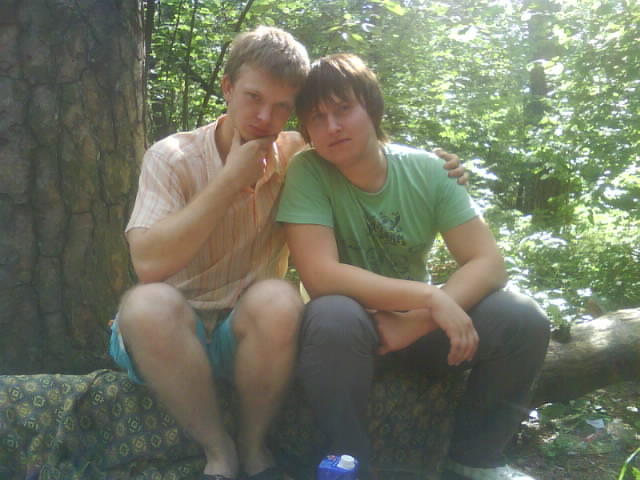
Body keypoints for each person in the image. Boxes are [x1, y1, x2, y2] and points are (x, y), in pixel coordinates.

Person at [108, 28, 466, 480]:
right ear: (227, 88)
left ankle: (254, 447)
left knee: (279, 297)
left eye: (281, 106)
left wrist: (437, 168)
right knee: (146, 304)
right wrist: (229, 181)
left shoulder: (297, 155)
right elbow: (148, 263)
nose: (265, 117)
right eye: (253, 98)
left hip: (250, 334)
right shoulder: (172, 156)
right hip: (172, 333)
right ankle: (219, 452)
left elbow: (365, 151)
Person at [277, 54, 550, 480]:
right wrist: (429, 297)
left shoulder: (428, 171)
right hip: (348, 335)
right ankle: (348, 460)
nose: (332, 126)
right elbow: (320, 276)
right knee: (331, 313)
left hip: (420, 332)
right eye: (317, 117)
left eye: (343, 109)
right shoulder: (308, 171)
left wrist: (415, 322)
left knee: (522, 317)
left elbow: (488, 262)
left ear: (372, 107)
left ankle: (474, 457)